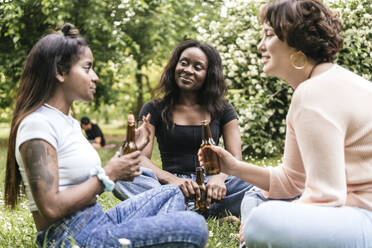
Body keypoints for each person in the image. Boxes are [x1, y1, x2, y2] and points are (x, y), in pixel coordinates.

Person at [4, 24, 208, 248]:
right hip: (70, 238)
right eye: (87, 68)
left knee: (170, 193)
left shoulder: (67, 121)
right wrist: (108, 176)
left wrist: (128, 150)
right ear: (60, 72)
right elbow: (50, 207)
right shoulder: (37, 124)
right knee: (193, 226)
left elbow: (79, 172)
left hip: (97, 220)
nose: (96, 77)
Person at [198, 0, 372, 247]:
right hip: (353, 216)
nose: (260, 46)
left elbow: (326, 197)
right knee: (254, 196)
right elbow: (292, 180)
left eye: (268, 35)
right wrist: (234, 167)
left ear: (296, 44)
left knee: (262, 219)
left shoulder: (314, 92)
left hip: (363, 220)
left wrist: (268, 219)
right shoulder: (320, 85)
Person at [115, 40, 253, 217]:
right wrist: (172, 180)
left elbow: (235, 158)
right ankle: (192, 208)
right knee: (124, 176)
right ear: (175, 66)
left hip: (213, 186)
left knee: (254, 181)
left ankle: (176, 210)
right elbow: (139, 157)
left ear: (208, 74)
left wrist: (219, 178)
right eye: (184, 63)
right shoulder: (154, 108)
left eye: (198, 67)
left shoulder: (224, 109)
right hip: (170, 187)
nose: (188, 70)